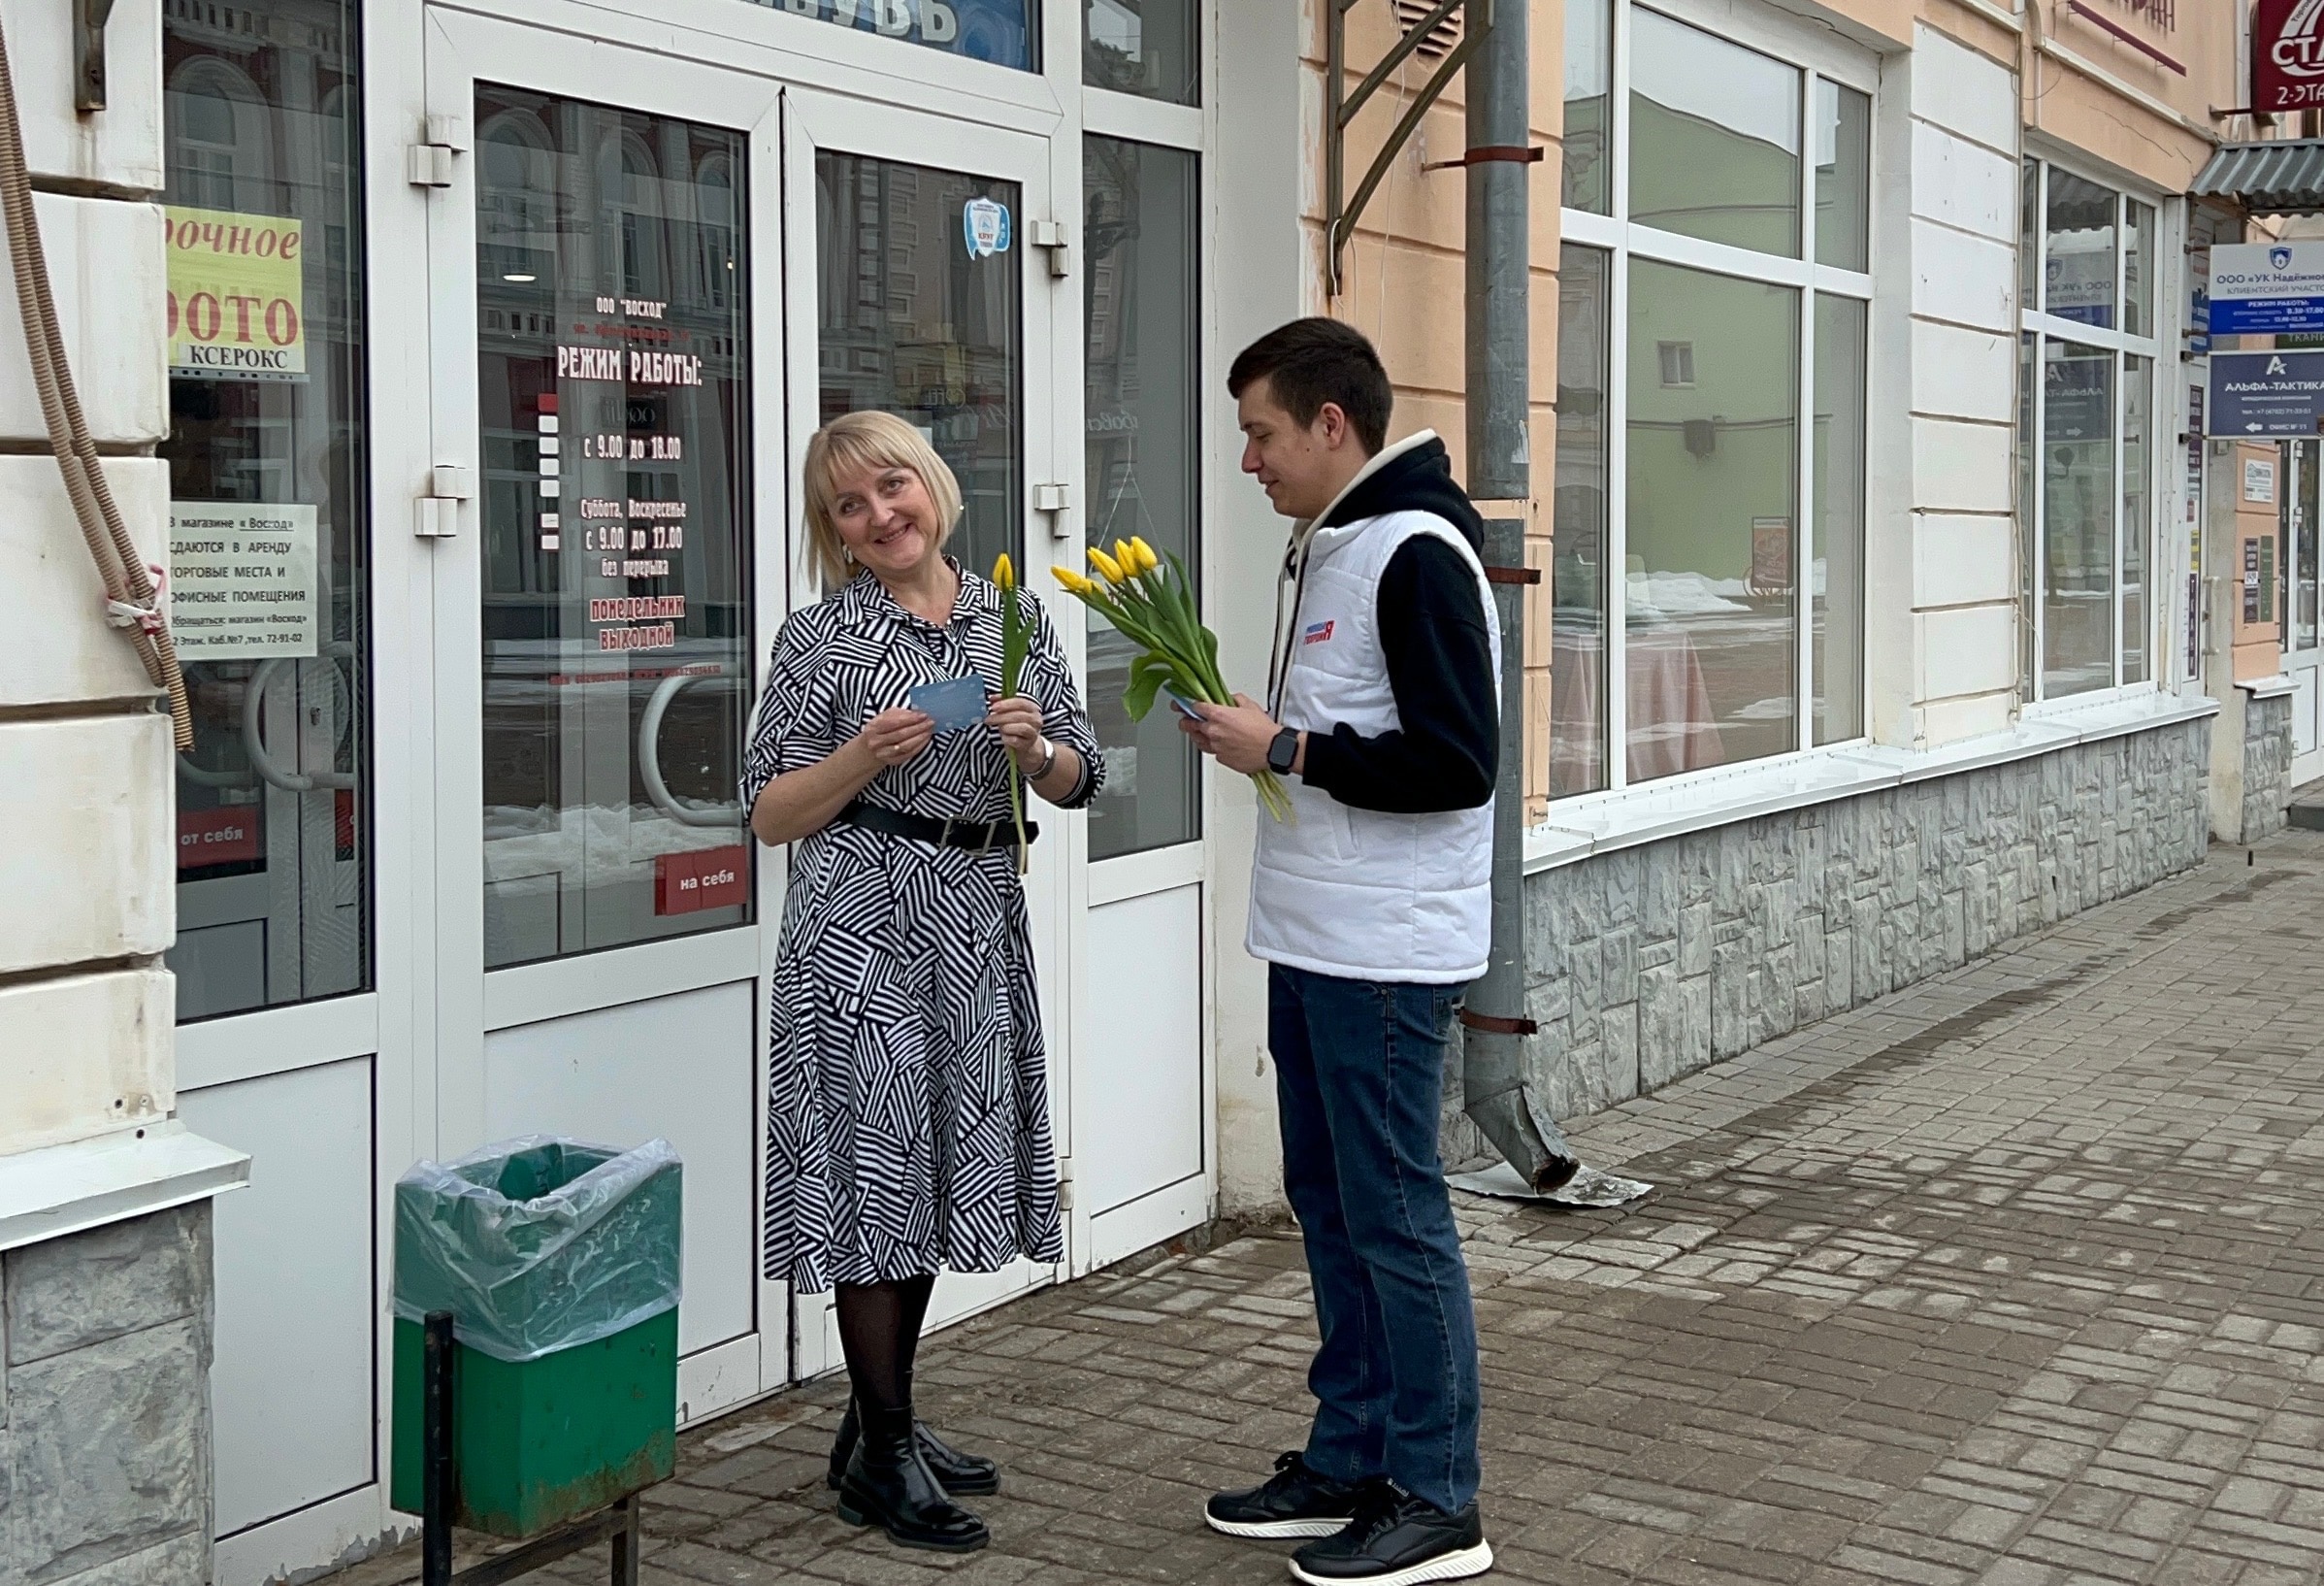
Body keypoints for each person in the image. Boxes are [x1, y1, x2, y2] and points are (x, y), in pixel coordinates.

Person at [741, 410, 1103, 1554]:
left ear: (932, 488)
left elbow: (1082, 776)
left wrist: (1034, 751)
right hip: (862, 926)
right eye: (850, 505)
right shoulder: (819, 639)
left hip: (978, 917)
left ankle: (875, 1421)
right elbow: (765, 813)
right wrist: (860, 756)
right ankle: (885, 1457)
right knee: (879, 1177)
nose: (879, 514)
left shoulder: (1012, 619)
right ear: (836, 533)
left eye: (891, 486)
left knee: (945, 1158)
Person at [1183, 318, 1499, 1586]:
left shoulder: (1415, 551)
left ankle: (1435, 1495)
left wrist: (1287, 750)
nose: (1247, 458)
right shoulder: (1336, 546)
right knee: (1331, 1205)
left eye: (1260, 432)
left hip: (1382, 950)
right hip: (1315, 935)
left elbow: (1456, 762)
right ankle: (1351, 1455)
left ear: (1329, 423)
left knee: (1392, 1212)